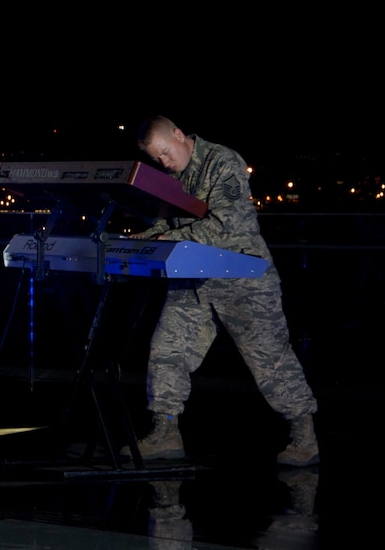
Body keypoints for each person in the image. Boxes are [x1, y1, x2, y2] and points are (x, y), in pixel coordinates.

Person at [129, 116, 318, 466]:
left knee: (270, 361)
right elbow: (166, 220)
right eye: (158, 160)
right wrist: (146, 237)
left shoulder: (223, 161)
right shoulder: (173, 176)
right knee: (167, 350)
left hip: (244, 277)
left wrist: (171, 238)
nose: (165, 163)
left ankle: (304, 437)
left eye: (166, 154)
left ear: (179, 135)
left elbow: (227, 225)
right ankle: (165, 433)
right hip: (195, 276)